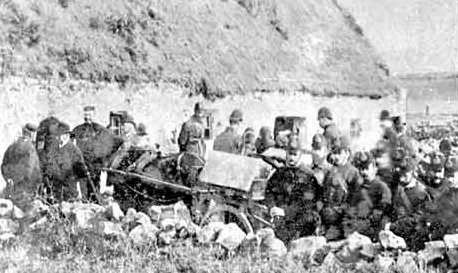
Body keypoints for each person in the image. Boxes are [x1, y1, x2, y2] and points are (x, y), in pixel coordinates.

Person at [44, 122, 89, 202]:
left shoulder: (74, 150)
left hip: (69, 190)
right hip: (55, 189)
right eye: (61, 135)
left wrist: (83, 194)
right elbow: (48, 165)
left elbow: (82, 173)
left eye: (66, 135)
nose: (63, 137)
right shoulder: (54, 148)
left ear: (68, 136)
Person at [1, 123, 42, 208]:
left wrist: (9, 180)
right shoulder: (30, 148)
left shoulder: (12, 146)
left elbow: (3, 166)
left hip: (10, 189)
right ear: (32, 134)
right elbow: (30, 170)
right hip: (25, 192)